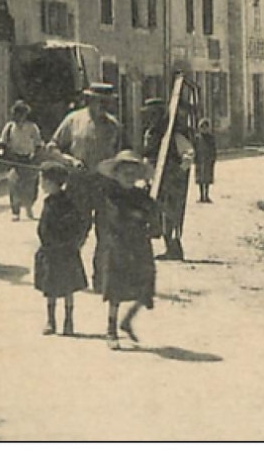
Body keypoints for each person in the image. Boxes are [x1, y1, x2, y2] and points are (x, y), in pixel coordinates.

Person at [92, 150, 160, 350]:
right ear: (116, 175)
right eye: (125, 174)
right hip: (118, 247)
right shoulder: (111, 196)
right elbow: (113, 220)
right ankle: (111, 329)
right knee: (116, 289)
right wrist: (136, 216)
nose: (129, 178)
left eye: (133, 174)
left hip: (139, 246)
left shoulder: (143, 196)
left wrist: (152, 217)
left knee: (146, 285)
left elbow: (154, 220)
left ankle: (127, 320)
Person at [47, 83, 127, 232]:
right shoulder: (73, 120)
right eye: (99, 101)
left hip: (105, 184)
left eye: (107, 102)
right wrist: (70, 160)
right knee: (77, 228)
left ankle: (101, 256)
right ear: (89, 101)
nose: (103, 106)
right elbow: (52, 147)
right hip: (78, 182)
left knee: (106, 231)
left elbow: (122, 154)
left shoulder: (114, 126)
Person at [34, 165, 88, 336]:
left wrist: (75, 243)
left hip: (65, 251)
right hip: (50, 251)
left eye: (43, 181)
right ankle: (51, 320)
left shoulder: (68, 203)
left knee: (68, 288)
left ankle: (68, 320)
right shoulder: (48, 202)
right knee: (50, 287)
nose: (41, 184)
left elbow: (79, 224)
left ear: (53, 183)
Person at [143, 96, 194, 261]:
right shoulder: (150, 134)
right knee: (156, 213)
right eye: (149, 115)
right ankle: (163, 247)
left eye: (154, 115)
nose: (151, 119)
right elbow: (148, 154)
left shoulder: (174, 135)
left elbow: (188, 154)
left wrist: (179, 171)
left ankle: (174, 248)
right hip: (155, 179)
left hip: (171, 180)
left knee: (171, 214)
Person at [0, 99, 45, 221]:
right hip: (14, 159)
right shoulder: (9, 127)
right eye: (17, 113)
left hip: (28, 158)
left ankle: (29, 208)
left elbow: (38, 143)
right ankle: (15, 211)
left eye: (21, 113)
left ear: (25, 114)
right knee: (14, 184)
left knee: (30, 185)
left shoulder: (32, 127)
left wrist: (36, 156)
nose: (19, 116)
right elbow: (1, 143)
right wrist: (0, 155)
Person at [194, 118, 218, 204]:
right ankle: (201, 196)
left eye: (205, 127)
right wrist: (195, 158)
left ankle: (206, 196)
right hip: (200, 160)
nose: (204, 129)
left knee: (207, 179)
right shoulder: (197, 138)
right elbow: (195, 149)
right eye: (202, 127)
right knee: (200, 179)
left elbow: (213, 149)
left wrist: (213, 158)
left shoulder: (211, 138)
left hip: (208, 160)